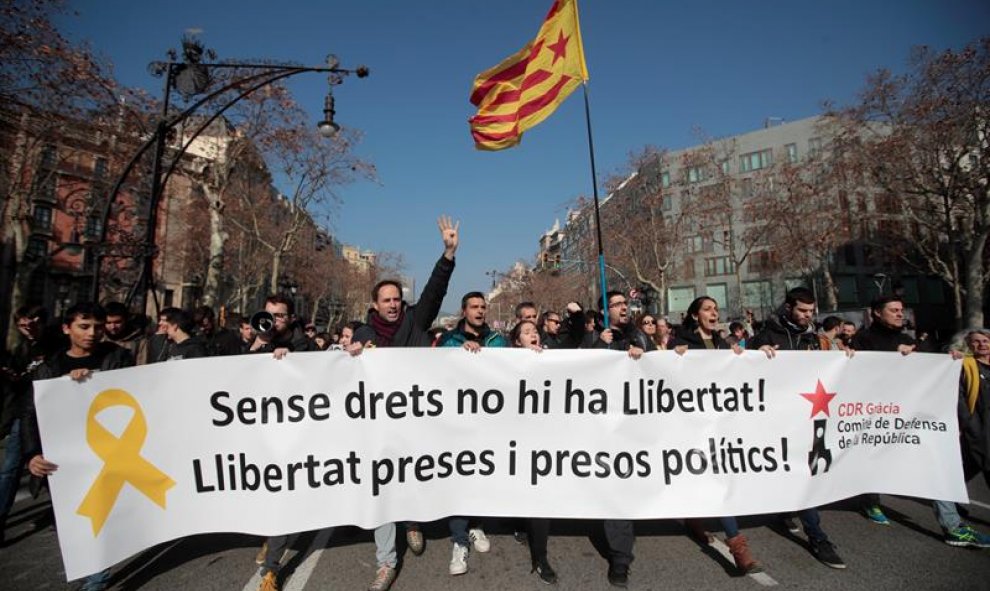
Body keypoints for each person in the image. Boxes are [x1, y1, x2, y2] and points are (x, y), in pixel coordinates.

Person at [346, 215, 460, 589]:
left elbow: (434, 292)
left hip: (415, 424)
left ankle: (412, 520)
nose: (394, 305)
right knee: (382, 491)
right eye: (387, 300)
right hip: (379, 430)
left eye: (397, 299)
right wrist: (350, 354)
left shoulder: (416, 320)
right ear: (375, 304)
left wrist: (448, 253)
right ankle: (385, 562)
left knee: (410, 480)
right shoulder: (363, 333)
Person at [22, 303, 134, 591]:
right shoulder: (49, 367)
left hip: (106, 457)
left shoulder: (117, 358)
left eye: (98, 327)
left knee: (100, 516)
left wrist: (93, 384)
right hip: (64, 463)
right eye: (84, 326)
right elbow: (31, 414)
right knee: (72, 522)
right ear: (66, 328)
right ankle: (88, 569)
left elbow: (132, 397)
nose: (93, 333)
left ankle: (96, 578)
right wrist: (32, 454)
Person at [748, 287, 846, 568]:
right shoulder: (767, 335)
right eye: (802, 310)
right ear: (788, 307)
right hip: (775, 419)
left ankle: (816, 535)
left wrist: (845, 358)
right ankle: (797, 519)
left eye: (811, 311)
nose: (807, 316)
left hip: (806, 418)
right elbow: (744, 369)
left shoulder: (815, 339)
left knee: (803, 473)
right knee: (788, 471)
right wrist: (758, 353)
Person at [672, 296, 761, 575]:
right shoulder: (683, 344)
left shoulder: (724, 344)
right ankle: (726, 539)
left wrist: (754, 355)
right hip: (690, 424)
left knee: (718, 478)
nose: (714, 313)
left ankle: (722, 537)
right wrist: (676, 357)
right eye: (708, 309)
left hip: (720, 424)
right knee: (704, 476)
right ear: (695, 315)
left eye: (715, 309)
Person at [436, 292, 506, 576]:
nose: (480, 311)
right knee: (459, 480)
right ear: (464, 311)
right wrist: (457, 354)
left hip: (488, 423)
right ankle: (459, 541)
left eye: (483, 306)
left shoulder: (498, 340)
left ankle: (476, 525)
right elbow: (435, 374)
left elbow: (515, 371)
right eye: (474, 307)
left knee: (480, 478)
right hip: (457, 424)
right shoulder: (448, 341)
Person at [508, 319, 558, 584]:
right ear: (517, 342)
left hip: (544, 442)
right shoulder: (503, 363)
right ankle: (518, 522)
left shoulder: (553, 357)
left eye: (535, 331)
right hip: (514, 442)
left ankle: (540, 557)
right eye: (526, 333)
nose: (533, 335)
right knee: (520, 493)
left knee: (541, 500)